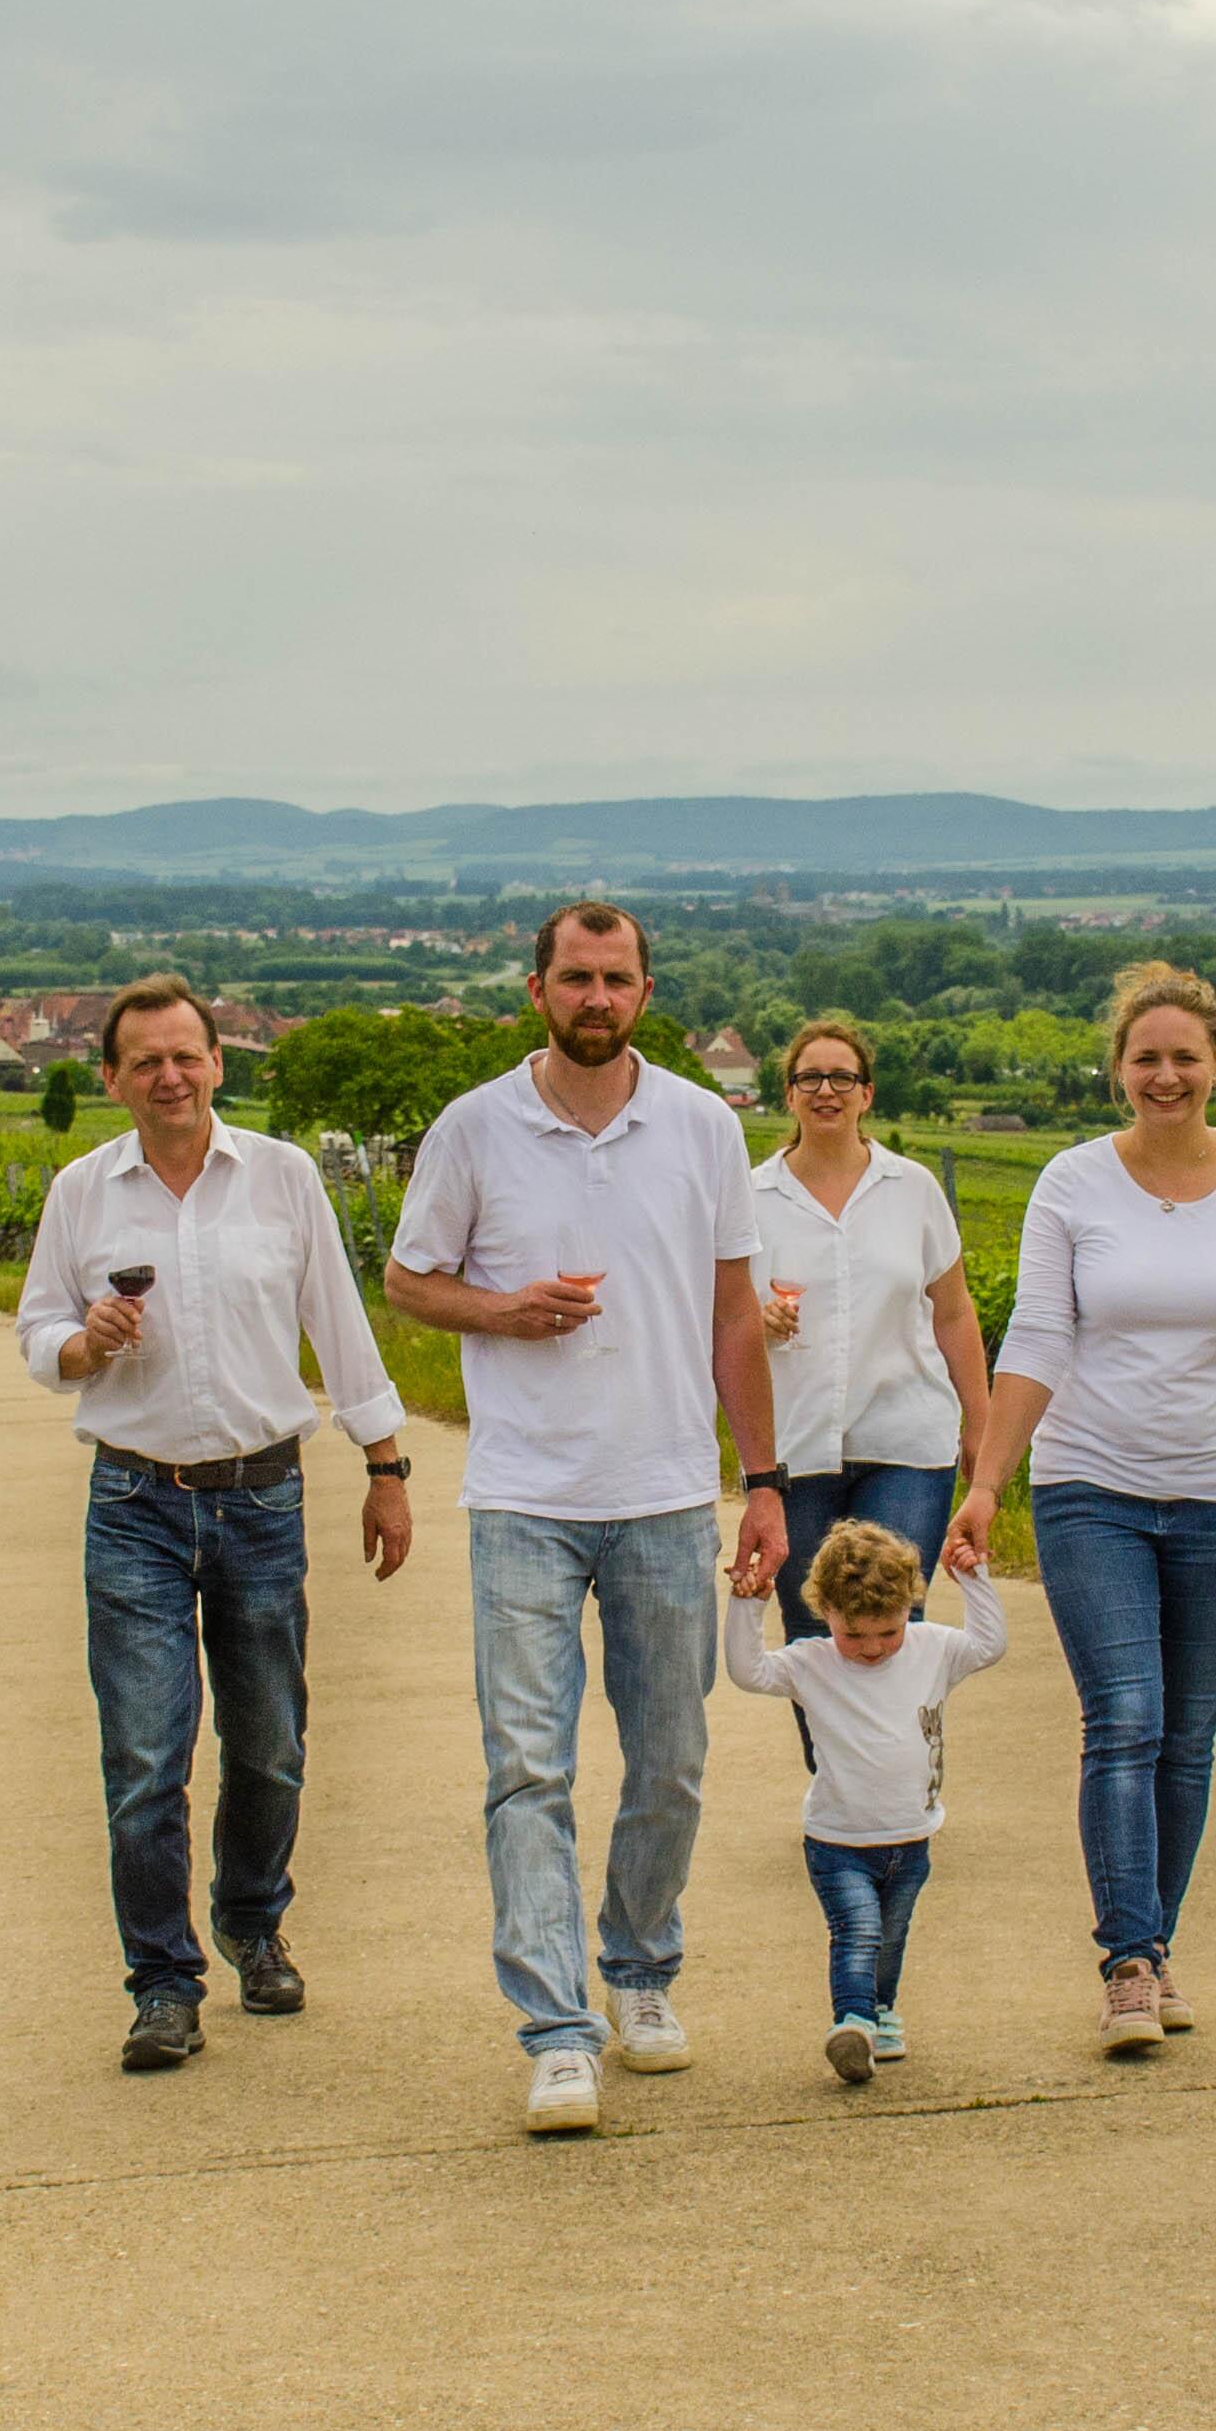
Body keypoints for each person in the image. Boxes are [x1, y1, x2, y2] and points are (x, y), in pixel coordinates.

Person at [384, 899, 790, 2136]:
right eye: (575, 977)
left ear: (645, 994)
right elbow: (408, 1279)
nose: (596, 998)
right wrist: (506, 1312)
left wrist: (764, 1481)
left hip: (666, 1493)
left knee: (669, 1762)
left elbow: (735, 1314)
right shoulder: (474, 1127)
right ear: (536, 990)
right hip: (524, 1499)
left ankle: (640, 1968)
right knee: (528, 1769)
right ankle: (557, 2030)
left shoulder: (702, 1127)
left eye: (617, 978)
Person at [16, 973, 418, 2075]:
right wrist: (83, 1345)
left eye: (185, 1053)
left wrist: (386, 1465)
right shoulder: (82, 1192)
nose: (169, 1074)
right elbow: (36, 1332)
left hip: (261, 1494)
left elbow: (340, 1329)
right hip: (134, 1498)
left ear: (217, 1061)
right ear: (112, 1078)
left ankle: (251, 1917)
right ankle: (161, 1980)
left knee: (270, 1745)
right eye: (144, 1059)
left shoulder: (282, 1178)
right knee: (145, 1754)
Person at [945, 962, 1216, 2057]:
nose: (1166, 1075)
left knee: (1188, 1734)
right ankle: (1126, 1958)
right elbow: (1038, 1336)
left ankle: (1156, 1943)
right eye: (1145, 1057)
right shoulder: (1071, 1182)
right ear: (1117, 1068)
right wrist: (985, 1478)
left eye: (1184, 1057)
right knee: (1125, 1714)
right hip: (1091, 1483)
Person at [721, 1518, 1005, 2084]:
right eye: (855, 1636)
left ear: (908, 1608)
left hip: (912, 1835)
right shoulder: (811, 1662)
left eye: (887, 1632)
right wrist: (748, 1606)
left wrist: (974, 1577)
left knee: (890, 1936)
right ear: (825, 1612)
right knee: (858, 1931)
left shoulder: (933, 1650)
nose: (872, 1648)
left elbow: (990, 1645)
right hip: (838, 1841)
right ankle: (851, 2021)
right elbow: (748, 1673)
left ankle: (880, 2013)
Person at [750, 1015, 991, 1643]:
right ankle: (824, 1751)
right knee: (811, 1636)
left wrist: (980, 1422)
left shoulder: (913, 1189)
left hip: (906, 1444)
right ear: (789, 1094)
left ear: (867, 1093)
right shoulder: (751, 1200)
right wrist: (758, 1322)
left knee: (890, 1628)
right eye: (810, 1078)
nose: (825, 1091)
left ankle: (907, 1748)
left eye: (841, 1078)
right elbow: (721, 1320)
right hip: (794, 1450)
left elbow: (955, 1311)